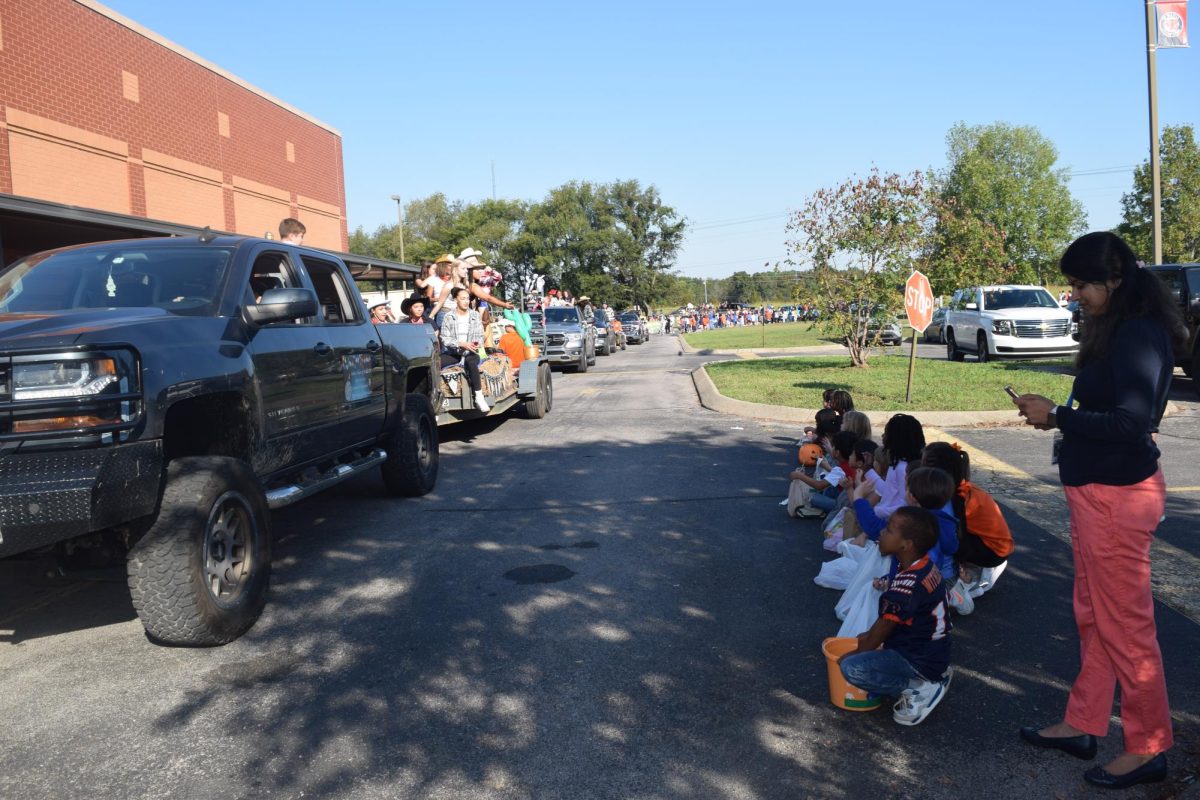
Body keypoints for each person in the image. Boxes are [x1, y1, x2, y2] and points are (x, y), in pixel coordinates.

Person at [1014, 232, 1182, 788]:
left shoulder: (1136, 333)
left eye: (1082, 284)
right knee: (1094, 615)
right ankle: (1084, 723)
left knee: (1126, 626)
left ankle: (1150, 746)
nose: (1075, 295)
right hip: (1098, 493)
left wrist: (1058, 415)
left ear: (1113, 280)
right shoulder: (1118, 328)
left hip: (1117, 497)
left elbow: (1133, 421)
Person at [838, 506, 952, 727]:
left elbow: (883, 626)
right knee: (866, 638)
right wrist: (869, 639)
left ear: (906, 544)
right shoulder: (922, 566)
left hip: (919, 658)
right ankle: (932, 676)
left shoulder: (907, 587)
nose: (881, 533)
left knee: (852, 668)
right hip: (932, 650)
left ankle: (918, 687)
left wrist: (858, 652)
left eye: (888, 530)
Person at [439, 286, 490, 412]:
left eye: (468, 299)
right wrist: (461, 343)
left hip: (472, 350)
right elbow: (444, 338)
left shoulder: (475, 315)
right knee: (436, 363)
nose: (466, 301)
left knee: (471, 362)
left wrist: (474, 344)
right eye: (463, 299)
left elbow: (480, 335)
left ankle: (479, 396)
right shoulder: (448, 316)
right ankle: (435, 398)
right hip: (454, 352)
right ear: (456, 300)